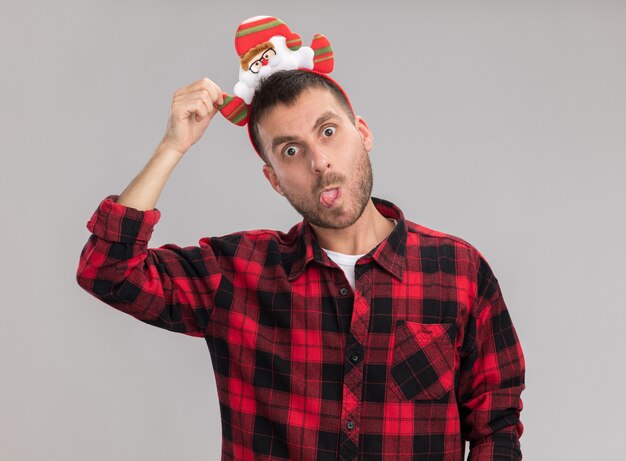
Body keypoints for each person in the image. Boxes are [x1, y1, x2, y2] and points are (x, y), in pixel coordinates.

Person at [76, 69, 525, 460]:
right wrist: (172, 147)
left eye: (328, 131)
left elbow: (496, 426)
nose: (319, 162)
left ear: (363, 133)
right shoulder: (235, 273)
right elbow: (108, 271)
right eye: (291, 151)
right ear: (273, 180)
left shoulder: (459, 271)